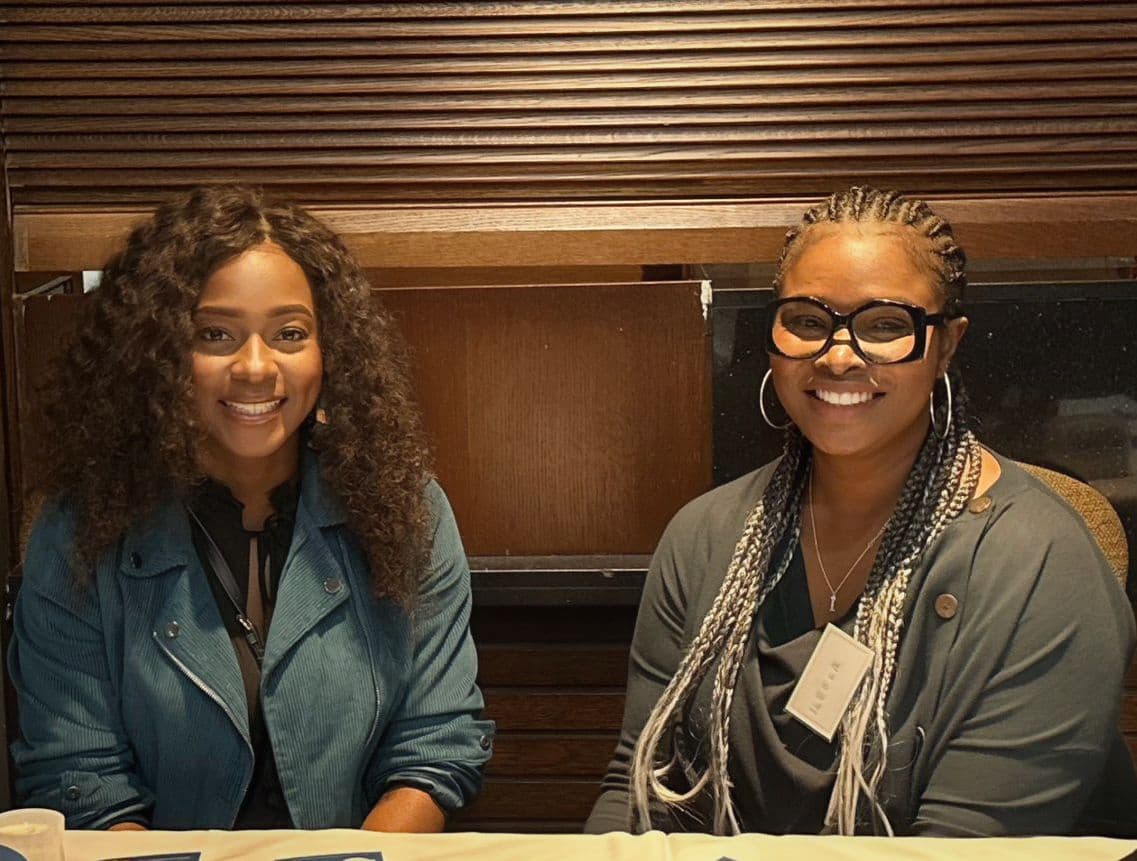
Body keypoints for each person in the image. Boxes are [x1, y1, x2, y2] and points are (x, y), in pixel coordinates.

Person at [585, 186, 1137, 837]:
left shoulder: (1038, 564)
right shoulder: (704, 538)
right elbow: (640, 792)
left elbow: (966, 851)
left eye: (884, 324)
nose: (838, 354)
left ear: (946, 346)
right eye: (807, 320)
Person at [9, 186, 493, 832]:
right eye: (216, 334)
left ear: (330, 352)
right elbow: (78, 774)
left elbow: (434, 746)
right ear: (157, 352)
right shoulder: (77, 530)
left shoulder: (409, 512)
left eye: (290, 333)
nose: (257, 367)